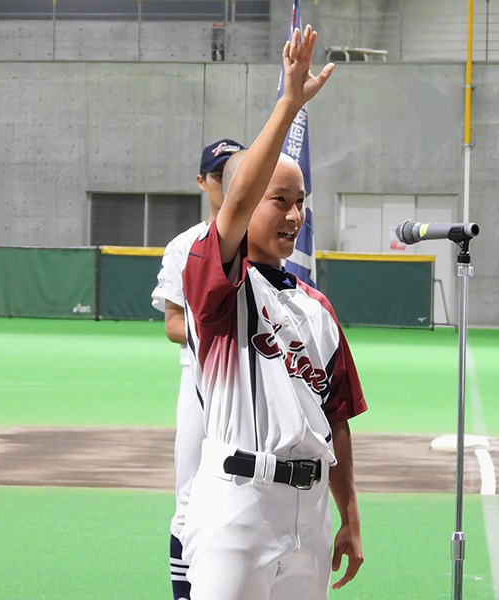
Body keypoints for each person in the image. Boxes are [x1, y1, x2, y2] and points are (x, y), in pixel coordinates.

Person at [180, 25, 366, 600]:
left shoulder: (318, 309)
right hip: (238, 502)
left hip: (307, 516)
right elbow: (234, 201)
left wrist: (349, 512)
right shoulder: (217, 283)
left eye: (300, 202)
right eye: (278, 200)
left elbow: (336, 419)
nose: (293, 214)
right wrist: (288, 103)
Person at [151, 137, 244, 600]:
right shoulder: (184, 245)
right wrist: (216, 328)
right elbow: (172, 323)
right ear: (203, 181)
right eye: (218, 173)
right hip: (202, 379)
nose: (226, 180)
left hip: (256, 383)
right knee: (189, 494)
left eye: (235, 170)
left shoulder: (264, 239)